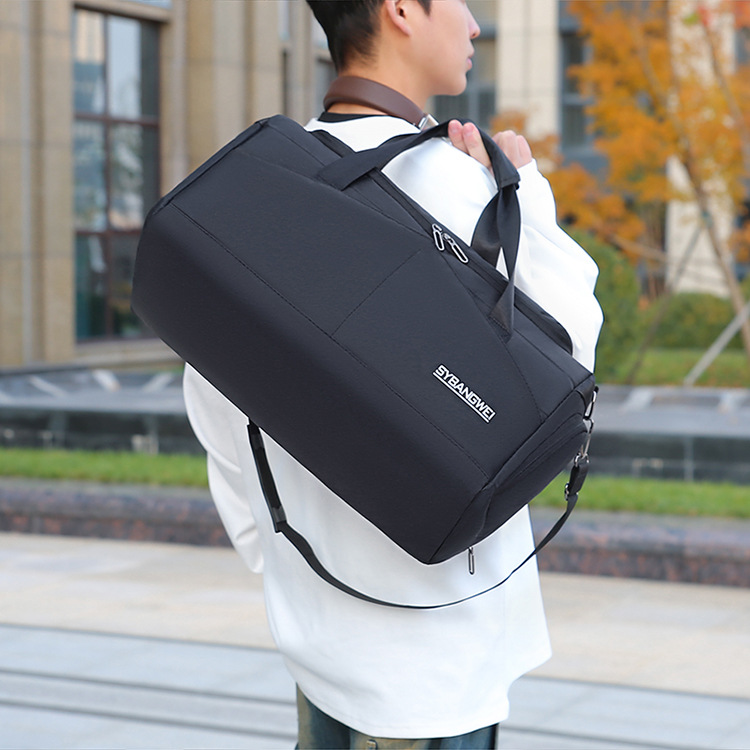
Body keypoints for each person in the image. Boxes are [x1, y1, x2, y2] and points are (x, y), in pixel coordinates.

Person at [183, 0, 603, 747]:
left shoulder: (263, 187)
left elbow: (213, 397)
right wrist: (525, 193)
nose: (474, 24)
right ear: (402, 9)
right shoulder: (461, 183)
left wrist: (278, 556)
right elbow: (570, 356)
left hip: (319, 633)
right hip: (439, 658)